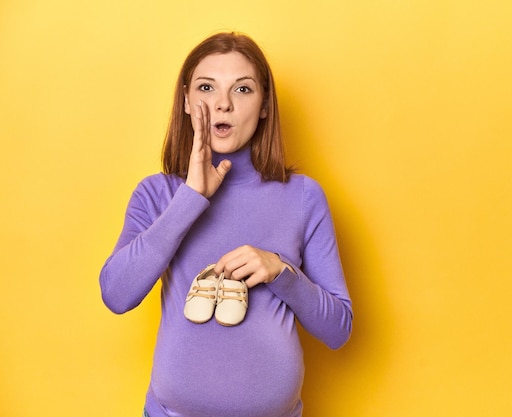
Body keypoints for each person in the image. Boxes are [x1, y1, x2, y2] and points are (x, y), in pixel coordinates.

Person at [99, 32, 353, 417]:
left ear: (265, 104)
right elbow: (117, 295)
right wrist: (191, 198)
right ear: (186, 100)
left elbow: (338, 330)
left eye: (243, 89)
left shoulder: (303, 196)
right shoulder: (157, 193)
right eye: (206, 87)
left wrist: (281, 272)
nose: (222, 104)